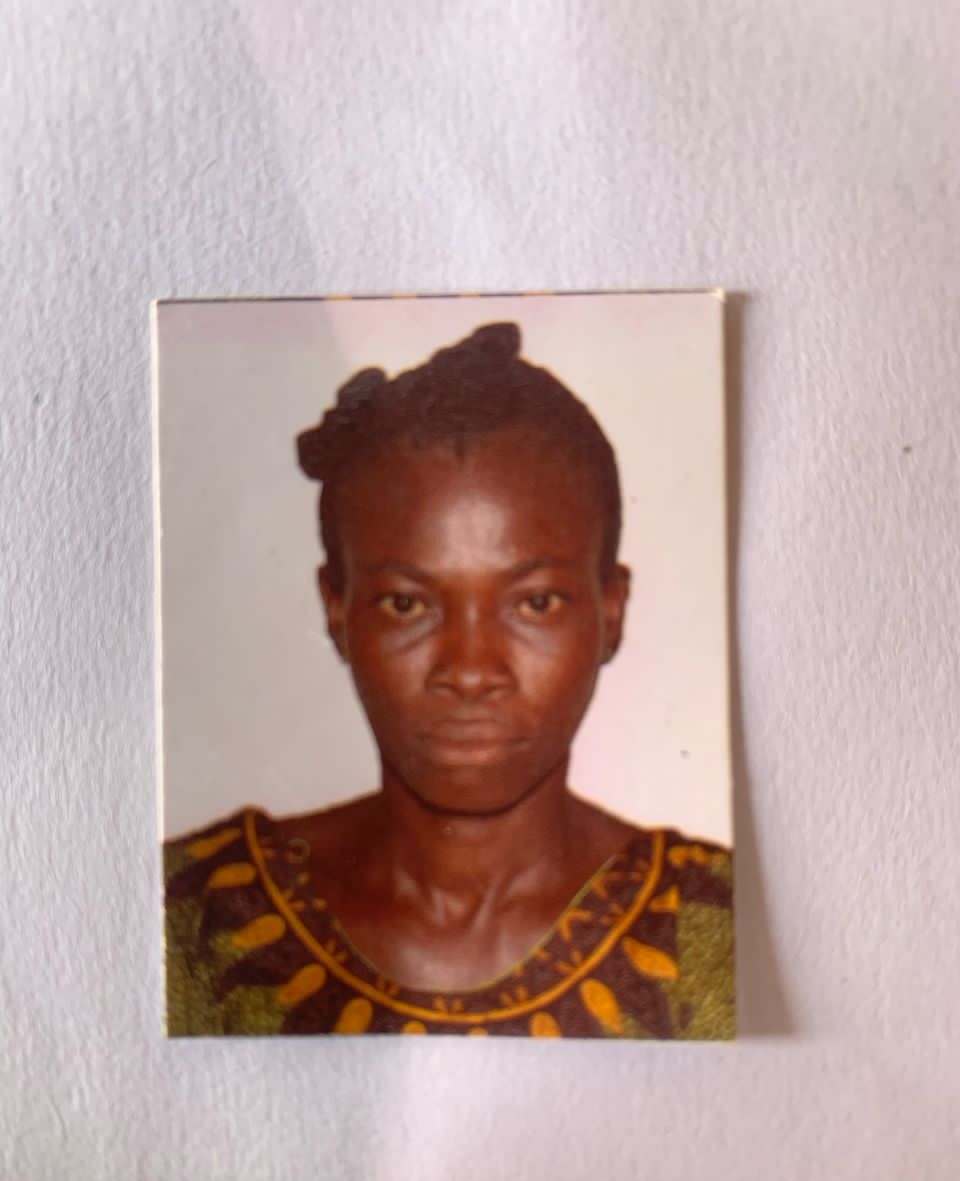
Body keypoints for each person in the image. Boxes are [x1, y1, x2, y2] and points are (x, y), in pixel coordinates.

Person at [164, 322, 733, 1039]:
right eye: (408, 605)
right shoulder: (193, 921)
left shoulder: (715, 929)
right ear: (338, 613)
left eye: (535, 603)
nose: (469, 671)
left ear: (610, 611)